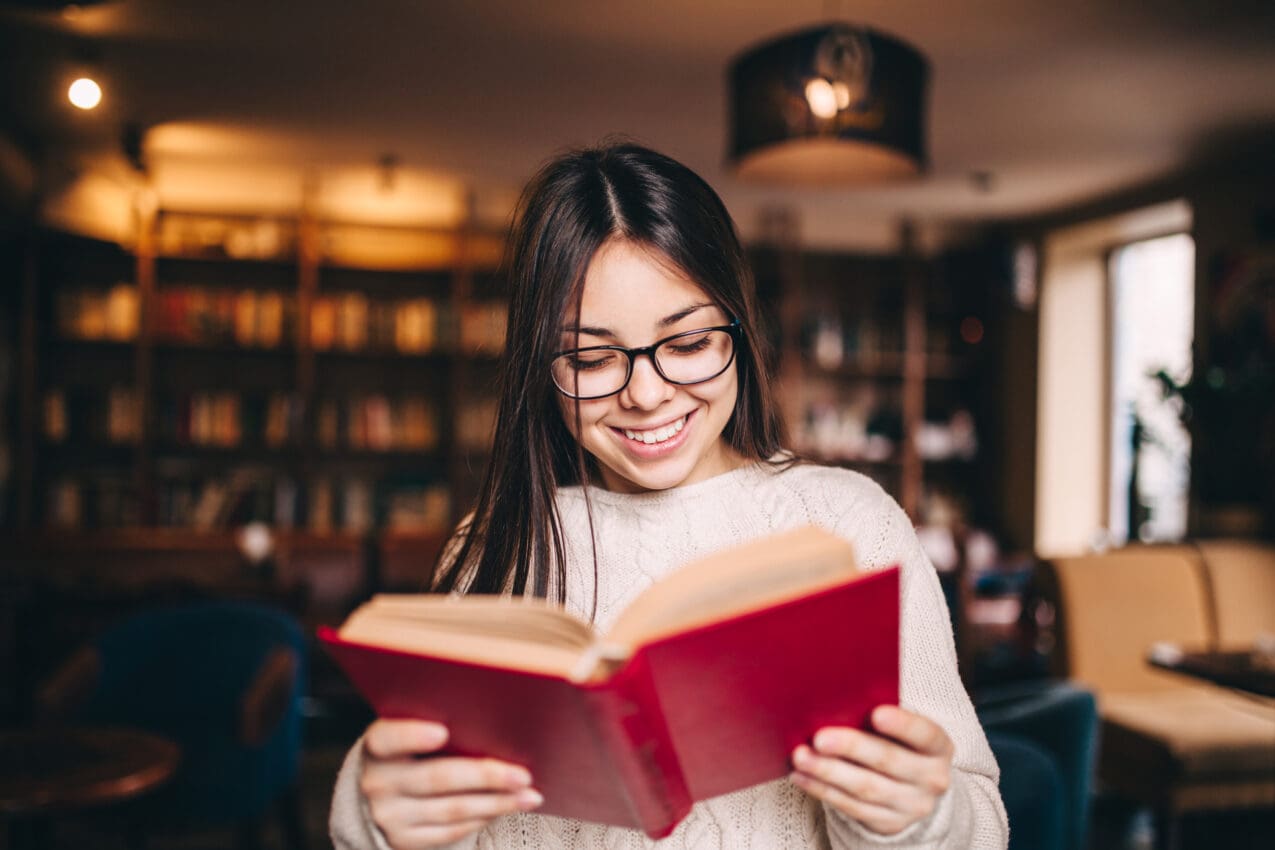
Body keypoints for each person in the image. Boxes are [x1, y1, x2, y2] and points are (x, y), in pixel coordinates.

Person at [330, 142, 1009, 850]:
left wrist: (914, 817)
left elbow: (978, 825)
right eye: (591, 358)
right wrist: (380, 821)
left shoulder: (847, 524)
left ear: (738, 331)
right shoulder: (488, 548)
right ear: (540, 364)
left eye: (685, 343)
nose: (646, 395)